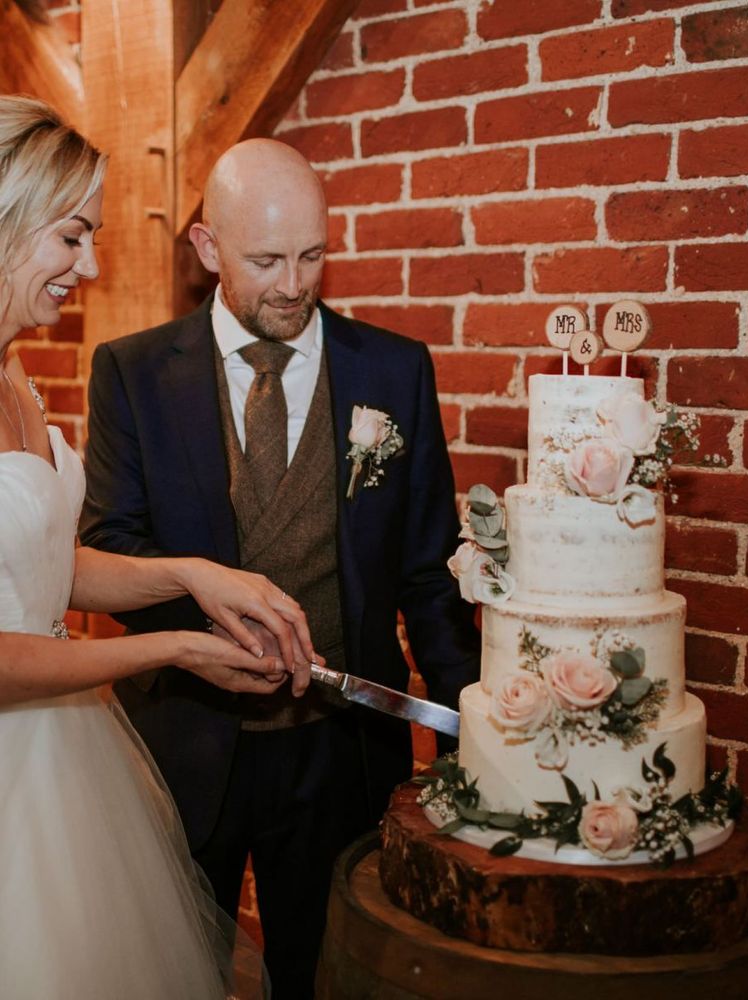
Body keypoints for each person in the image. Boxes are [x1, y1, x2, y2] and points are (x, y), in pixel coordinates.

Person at [80, 136, 482, 998]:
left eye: (313, 255)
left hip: (344, 747)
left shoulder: (394, 370)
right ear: (208, 247)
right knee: (180, 973)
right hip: (187, 741)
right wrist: (207, 620)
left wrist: (472, 725)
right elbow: (109, 547)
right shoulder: (132, 372)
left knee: (328, 975)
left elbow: (428, 571)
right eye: (266, 260)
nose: (295, 284)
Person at [0, 96, 322, 998]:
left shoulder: (14, 369)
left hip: (59, 756)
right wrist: (174, 646)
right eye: (72, 237)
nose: (92, 266)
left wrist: (190, 574)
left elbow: (43, 570)